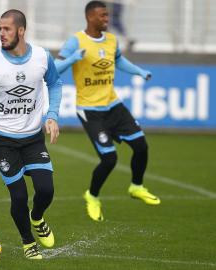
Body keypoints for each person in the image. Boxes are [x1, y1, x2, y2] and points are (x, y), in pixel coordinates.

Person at [55, 0, 160, 222]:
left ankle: (136, 187)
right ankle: (92, 196)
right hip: (90, 111)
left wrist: (139, 72)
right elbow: (55, 68)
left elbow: (119, 61)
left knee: (141, 146)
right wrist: (74, 58)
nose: (106, 19)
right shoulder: (76, 41)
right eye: (102, 15)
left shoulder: (111, 40)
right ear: (89, 17)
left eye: (107, 15)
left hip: (114, 105)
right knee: (110, 159)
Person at [0, 10, 62, 259]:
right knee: (19, 195)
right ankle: (28, 241)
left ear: (21, 31)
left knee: (46, 190)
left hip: (32, 138)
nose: (1, 34)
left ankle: (38, 218)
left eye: (6, 29)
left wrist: (51, 114)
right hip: (2, 141)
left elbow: (54, 83)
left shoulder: (42, 57)